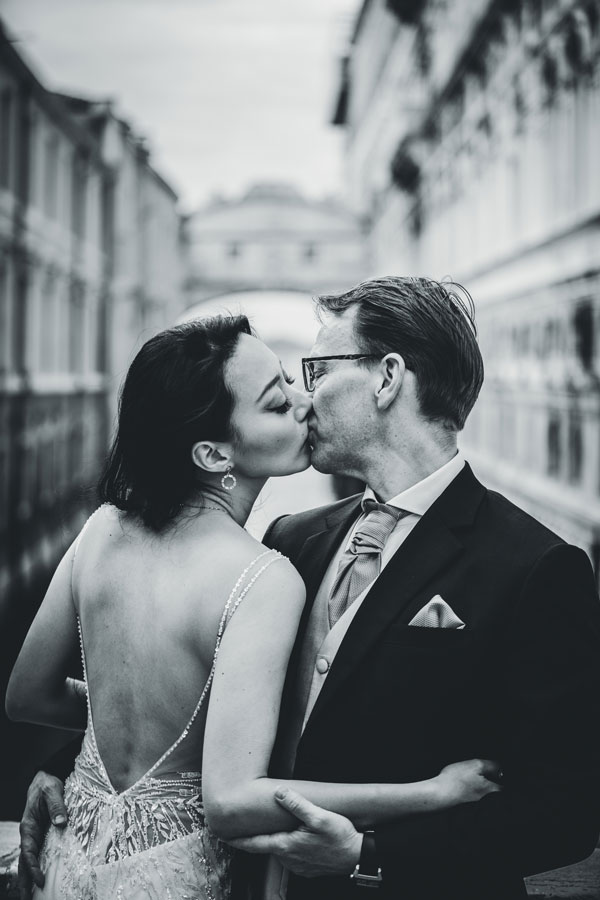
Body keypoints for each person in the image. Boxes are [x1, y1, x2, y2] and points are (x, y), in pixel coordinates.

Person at [6, 312, 500, 900]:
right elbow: (233, 801)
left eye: (295, 378)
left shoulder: (102, 527)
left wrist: (101, 746)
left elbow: (26, 695)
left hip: (68, 862)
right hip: (176, 874)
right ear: (215, 455)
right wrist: (430, 794)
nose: (304, 400)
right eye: (276, 401)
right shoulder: (265, 573)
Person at [223, 276, 600, 899]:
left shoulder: (537, 568)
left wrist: (370, 855)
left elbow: (566, 812)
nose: (304, 399)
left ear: (388, 376)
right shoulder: (291, 537)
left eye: (317, 370)